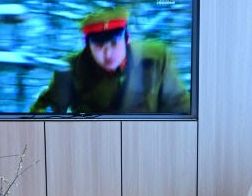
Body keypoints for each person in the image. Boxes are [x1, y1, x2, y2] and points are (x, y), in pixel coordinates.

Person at [29, 7, 191, 115]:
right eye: (99, 45)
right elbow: (43, 113)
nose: (108, 53)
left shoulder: (157, 59)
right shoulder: (70, 69)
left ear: (127, 39)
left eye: (114, 43)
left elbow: (180, 106)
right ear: (88, 46)